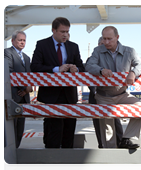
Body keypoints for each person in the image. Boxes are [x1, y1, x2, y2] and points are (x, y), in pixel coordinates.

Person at [85, 26, 141, 149]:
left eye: (109, 39)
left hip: (122, 94)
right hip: (104, 96)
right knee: (109, 134)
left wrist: (133, 72)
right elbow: (89, 65)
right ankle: (110, 158)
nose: (106, 42)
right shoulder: (98, 50)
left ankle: (128, 137)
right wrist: (101, 70)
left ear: (117, 38)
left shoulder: (130, 51)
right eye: (104, 39)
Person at [30, 17, 85, 148]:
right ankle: (51, 159)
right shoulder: (42, 45)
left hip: (69, 94)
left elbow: (82, 67)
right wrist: (56, 69)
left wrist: (76, 69)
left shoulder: (73, 46)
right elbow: (35, 66)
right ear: (53, 30)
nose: (65, 34)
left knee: (69, 130)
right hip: (50, 95)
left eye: (67, 31)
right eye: (62, 31)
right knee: (53, 131)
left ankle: (68, 160)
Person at [90, 36, 123, 148]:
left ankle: (119, 143)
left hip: (112, 96)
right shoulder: (92, 60)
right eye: (102, 44)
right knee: (99, 124)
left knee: (115, 122)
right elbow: (88, 68)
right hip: (95, 96)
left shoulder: (114, 59)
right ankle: (102, 146)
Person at [4, 30, 33, 148]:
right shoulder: (7, 53)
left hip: (24, 98)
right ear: (12, 41)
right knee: (10, 129)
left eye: (24, 40)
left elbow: (29, 75)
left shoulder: (26, 58)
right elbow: (9, 72)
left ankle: (16, 151)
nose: (22, 42)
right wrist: (24, 87)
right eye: (19, 40)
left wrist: (28, 89)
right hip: (12, 96)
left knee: (20, 128)